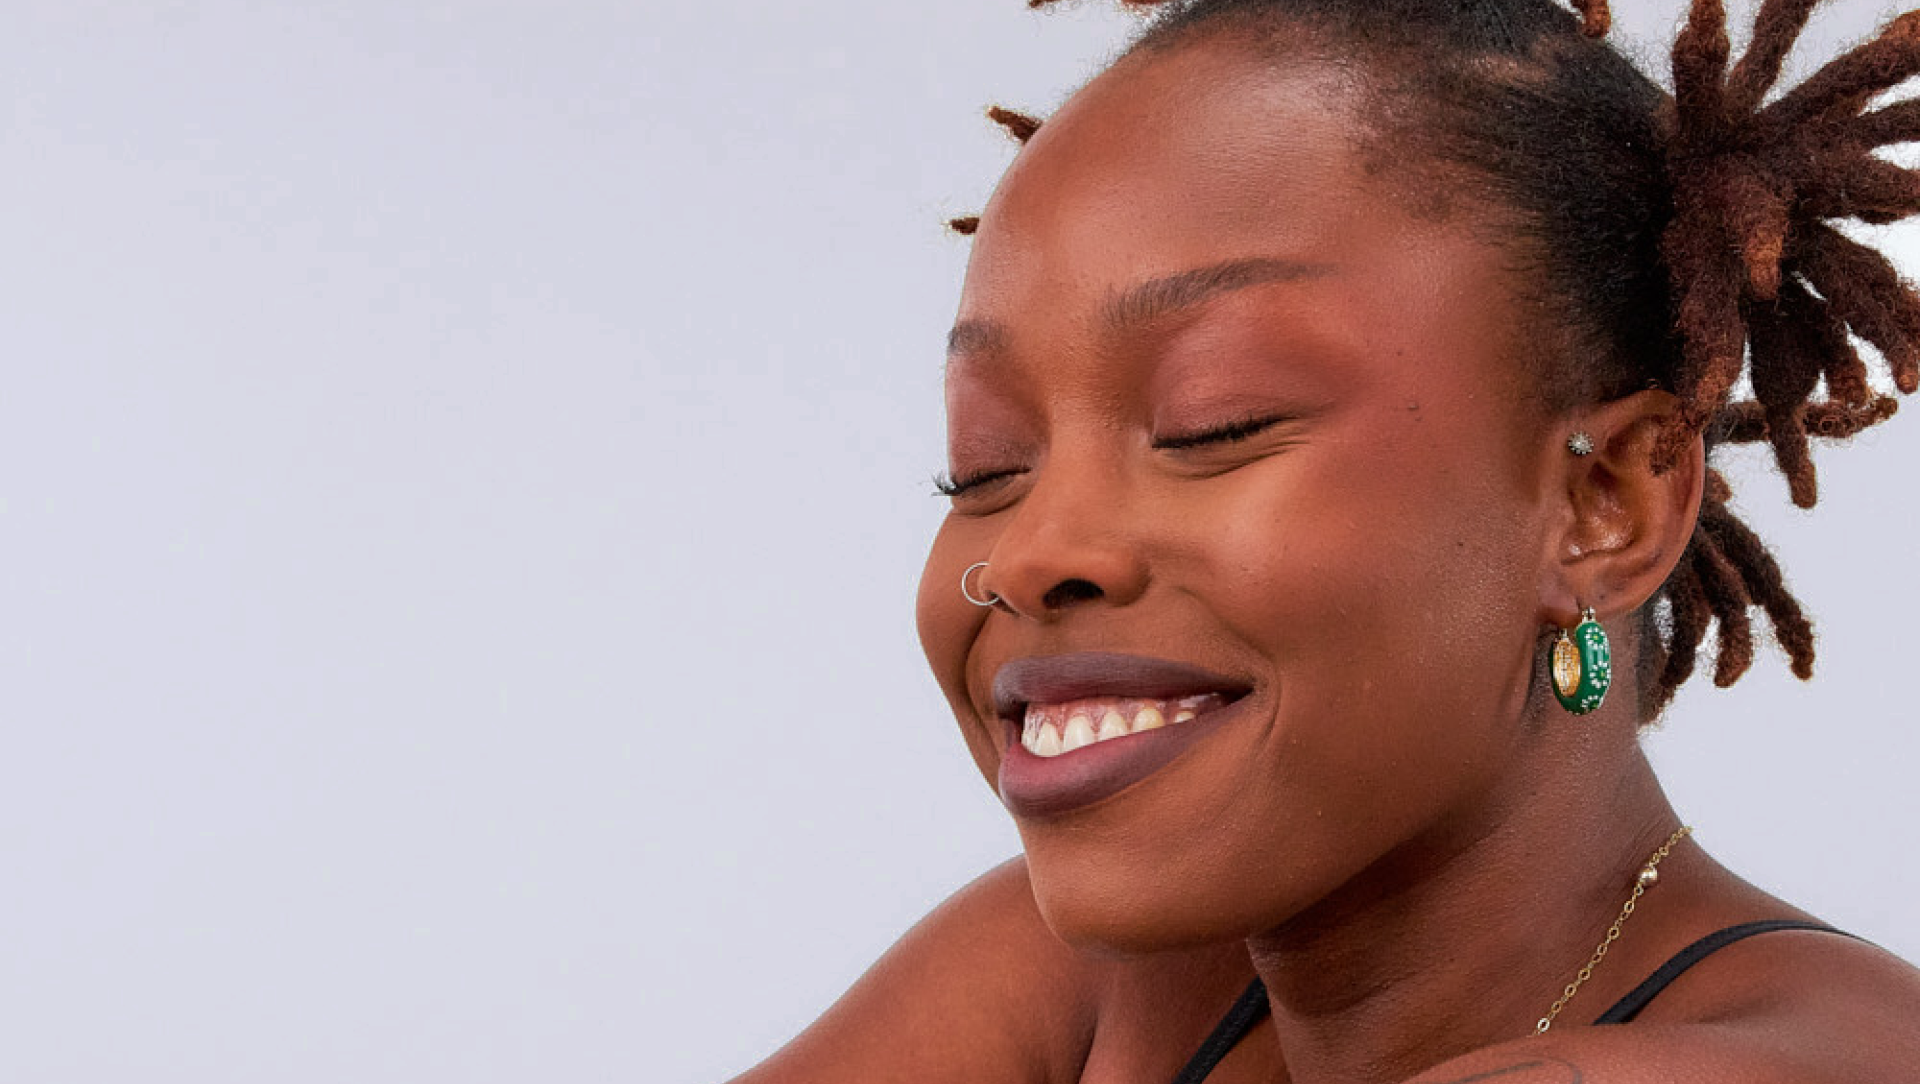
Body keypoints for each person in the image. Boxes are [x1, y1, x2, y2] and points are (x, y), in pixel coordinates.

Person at [734, 1, 1920, 1080]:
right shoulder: (1090, 988)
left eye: (1214, 423)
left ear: (1604, 503)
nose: (1031, 553)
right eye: (986, 463)